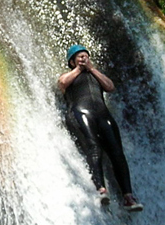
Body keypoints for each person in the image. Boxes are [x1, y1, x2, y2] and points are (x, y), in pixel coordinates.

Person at [58, 45, 143, 212]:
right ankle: (100, 190)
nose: (83, 58)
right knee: (93, 147)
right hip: (81, 112)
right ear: (72, 61)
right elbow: (62, 83)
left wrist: (91, 69)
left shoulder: (95, 75)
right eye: (79, 57)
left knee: (117, 153)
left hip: (103, 115)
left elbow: (110, 86)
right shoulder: (68, 75)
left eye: (85, 56)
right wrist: (79, 69)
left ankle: (128, 197)